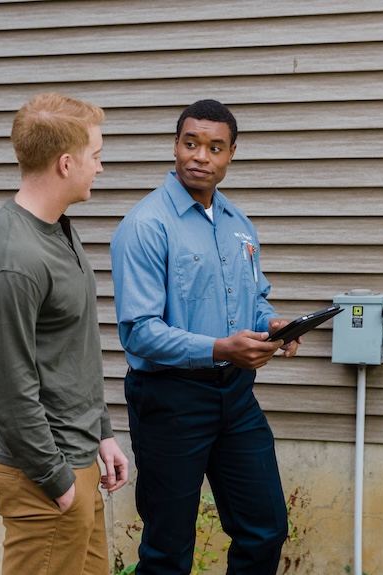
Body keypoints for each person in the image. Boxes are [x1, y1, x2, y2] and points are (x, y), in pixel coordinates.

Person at [110, 99, 299, 575]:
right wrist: (220, 348)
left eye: (215, 147)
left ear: (231, 153)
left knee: (266, 528)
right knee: (168, 548)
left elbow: (255, 298)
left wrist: (273, 323)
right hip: (170, 401)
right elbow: (139, 333)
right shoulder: (145, 225)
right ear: (175, 146)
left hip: (235, 398)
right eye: (191, 143)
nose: (200, 156)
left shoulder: (239, 225)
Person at [0, 92, 128, 575]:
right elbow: (10, 390)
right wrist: (57, 481)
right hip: (44, 472)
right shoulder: (12, 261)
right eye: (95, 156)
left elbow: (70, 350)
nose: (100, 168)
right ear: (65, 163)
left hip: (77, 455)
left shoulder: (58, 228)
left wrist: (101, 432)